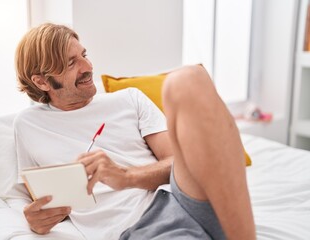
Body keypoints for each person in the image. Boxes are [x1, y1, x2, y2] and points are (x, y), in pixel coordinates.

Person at [14, 23, 255, 239]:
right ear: (42, 82)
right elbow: (37, 198)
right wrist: (36, 220)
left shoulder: (128, 99)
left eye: (84, 55)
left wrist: (126, 177)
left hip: (186, 200)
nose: (88, 67)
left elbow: (179, 163)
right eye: (71, 63)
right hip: (140, 229)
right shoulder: (28, 126)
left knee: (188, 78)